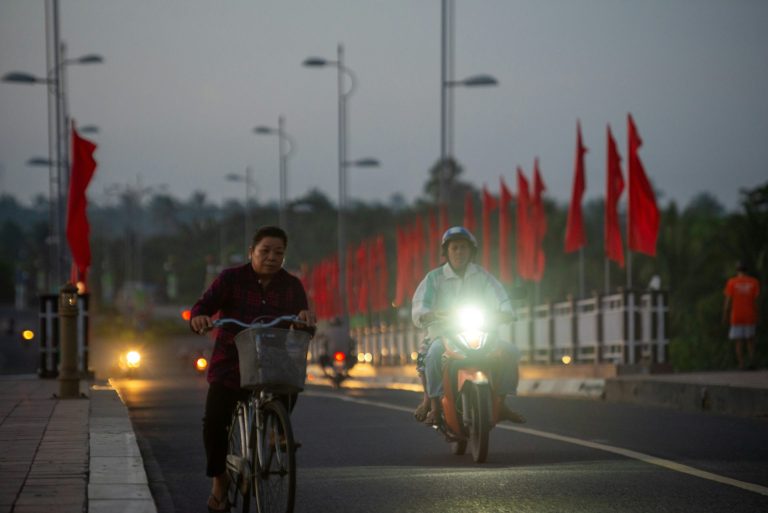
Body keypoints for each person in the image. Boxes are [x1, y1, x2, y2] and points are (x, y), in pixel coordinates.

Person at [190, 226, 315, 513]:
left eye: (279, 252)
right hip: (230, 364)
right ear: (251, 252)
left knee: (290, 380)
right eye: (265, 251)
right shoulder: (231, 279)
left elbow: (304, 323)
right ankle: (219, 483)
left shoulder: (292, 286)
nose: (272, 257)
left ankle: (275, 430)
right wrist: (199, 318)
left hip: (273, 362)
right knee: (213, 423)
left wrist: (305, 320)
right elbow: (202, 306)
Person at [411, 226, 525, 426]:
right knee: (432, 355)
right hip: (443, 335)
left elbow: (500, 296)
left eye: (463, 248)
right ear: (446, 252)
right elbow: (421, 304)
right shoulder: (434, 278)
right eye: (454, 248)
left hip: (481, 333)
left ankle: (501, 402)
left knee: (510, 352)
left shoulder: (483, 276)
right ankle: (435, 406)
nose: (459, 253)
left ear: (471, 252)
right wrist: (428, 314)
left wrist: (507, 311)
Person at [723, 261, 760, 370]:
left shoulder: (732, 282)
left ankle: (741, 364)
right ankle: (752, 361)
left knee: (739, 342)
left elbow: (728, 301)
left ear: (737, 270)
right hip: (750, 315)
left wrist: (725, 315)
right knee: (750, 340)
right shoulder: (754, 282)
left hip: (736, 316)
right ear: (746, 270)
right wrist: (758, 315)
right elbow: (756, 301)